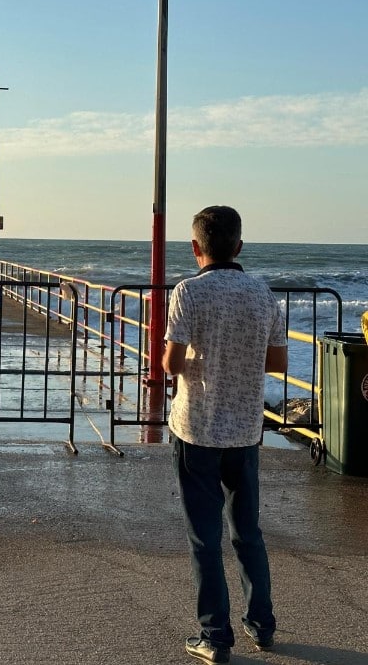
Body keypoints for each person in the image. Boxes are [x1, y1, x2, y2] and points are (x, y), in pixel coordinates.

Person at [162, 206, 288, 665]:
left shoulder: (188, 292)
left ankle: (215, 638)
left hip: (196, 428)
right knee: (248, 532)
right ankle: (262, 626)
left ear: (195, 247)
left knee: (204, 538)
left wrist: (194, 360)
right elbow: (276, 363)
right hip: (244, 430)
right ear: (239, 246)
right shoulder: (262, 295)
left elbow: (172, 364)